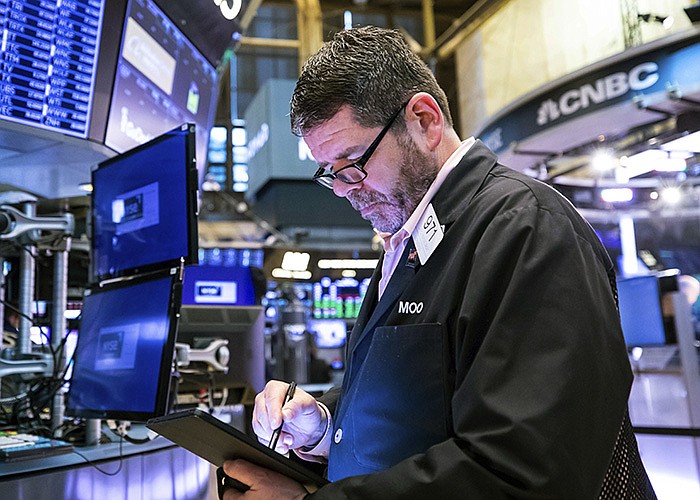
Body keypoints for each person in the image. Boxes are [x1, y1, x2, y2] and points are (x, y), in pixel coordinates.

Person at [221, 26, 656, 499]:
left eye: (352, 164)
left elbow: (524, 471)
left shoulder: (527, 228)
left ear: (425, 120)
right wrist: (323, 427)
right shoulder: (407, 239)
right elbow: (421, 408)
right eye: (331, 174)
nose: (344, 190)